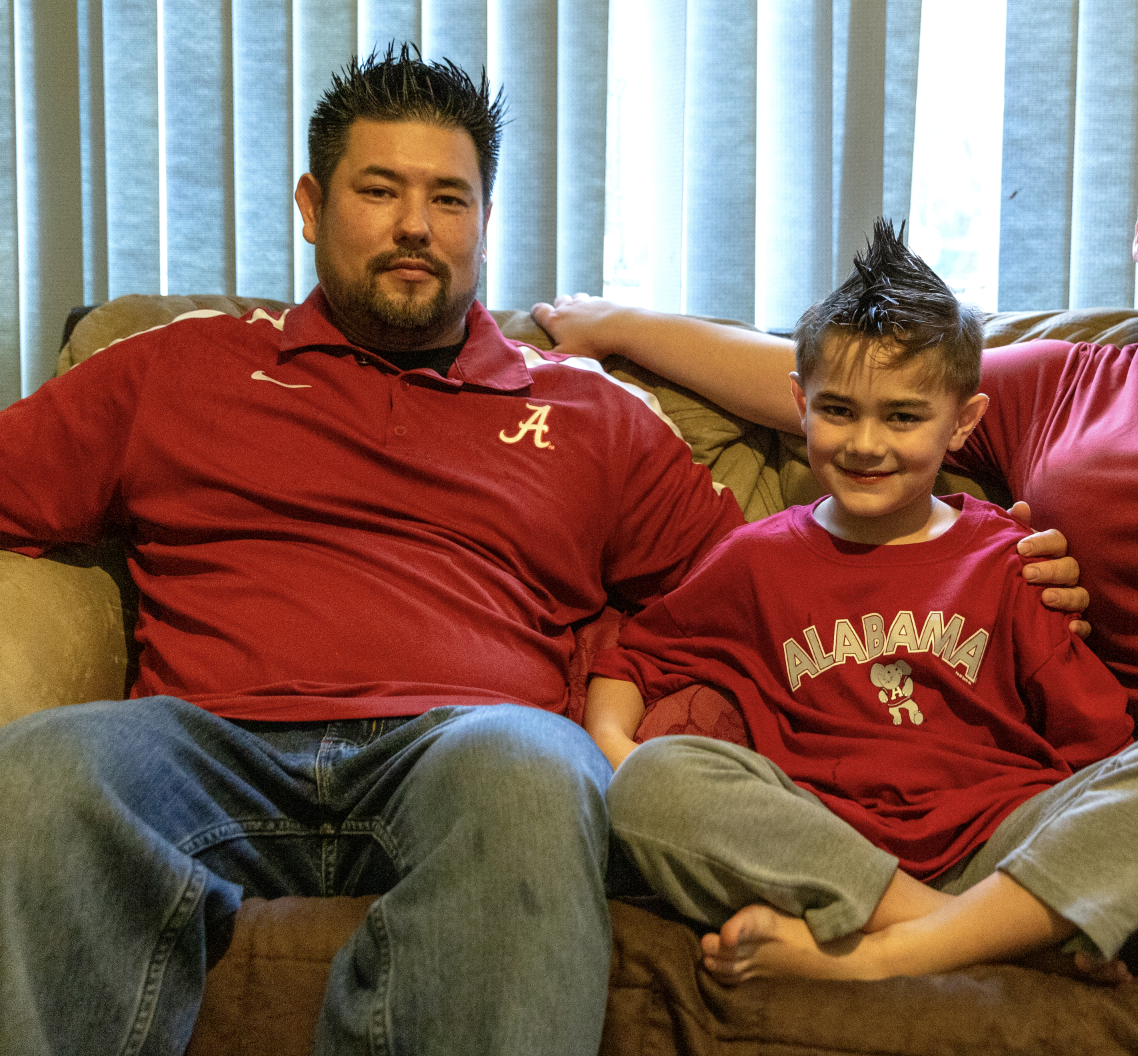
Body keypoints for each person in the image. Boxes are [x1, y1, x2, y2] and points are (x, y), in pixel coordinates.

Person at [531, 115, 1138, 1047]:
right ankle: (985, 925)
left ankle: (909, 945)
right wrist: (622, 323)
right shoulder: (1054, 387)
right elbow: (839, 385)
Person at [0, 49, 755, 1056]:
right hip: (208, 747)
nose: (414, 223)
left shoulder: (586, 413)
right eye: (380, 189)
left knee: (536, 765)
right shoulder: (180, 366)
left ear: (483, 223)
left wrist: (995, 558)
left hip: (464, 748)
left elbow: (767, 586)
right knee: (44, 765)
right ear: (313, 205)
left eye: (449, 197)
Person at [582, 219, 1138, 986]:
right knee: (657, 784)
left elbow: (1094, 744)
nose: (866, 443)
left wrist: (1120, 839)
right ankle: (1000, 936)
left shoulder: (1011, 560)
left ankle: (892, 952)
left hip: (1005, 843)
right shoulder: (756, 560)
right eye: (839, 410)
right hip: (830, 849)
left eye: (904, 416)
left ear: (964, 422)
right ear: (800, 404)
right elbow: (635, 659)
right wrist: (617, 755)